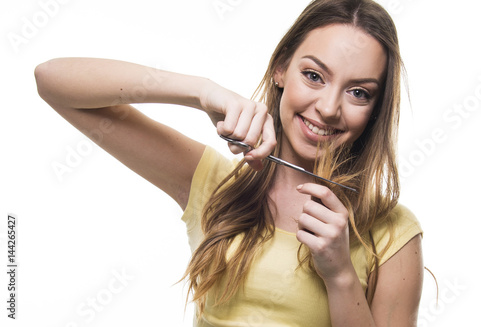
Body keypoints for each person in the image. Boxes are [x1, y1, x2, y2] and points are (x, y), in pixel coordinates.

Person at [35, 0, 423, 325]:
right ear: (281, 68)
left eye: (358, 92)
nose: (327, 108)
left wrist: (340, 276)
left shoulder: (391, 231)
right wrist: (203, 92)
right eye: (313, 75)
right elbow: (52, 80)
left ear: (375, 109)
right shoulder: (213, 183)